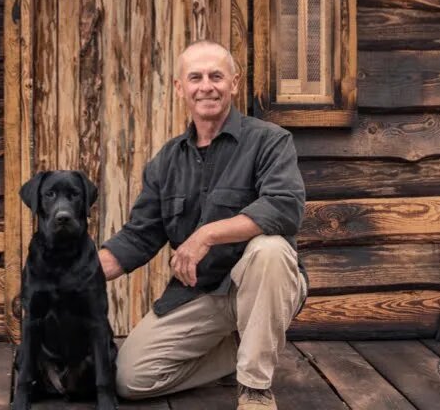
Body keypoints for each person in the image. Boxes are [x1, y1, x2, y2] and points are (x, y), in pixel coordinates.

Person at [98, 40, 308, 410]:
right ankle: (241, 349)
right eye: (195, 77)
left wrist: (206, 234)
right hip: (202, 293)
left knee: (271, 249)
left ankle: (255, 388)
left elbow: (284, 207)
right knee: (131, 378)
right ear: (180, 88)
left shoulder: (270, 141)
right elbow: (140, 235)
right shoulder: (166, 162)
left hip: (260, 285)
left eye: (216, 76)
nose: (206, 86)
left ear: (234, 84)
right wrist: (76, 271)